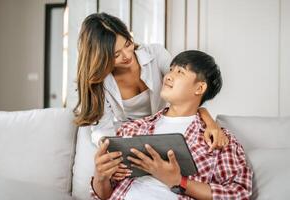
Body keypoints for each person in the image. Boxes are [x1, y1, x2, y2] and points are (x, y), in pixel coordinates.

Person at [91, 50, 253, 200]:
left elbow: (239, 193)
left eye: (180, 72)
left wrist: (179, 181)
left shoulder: (217, 139)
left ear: (200, 88)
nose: (168, 76)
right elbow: (103, 195)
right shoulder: (133, 129)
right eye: (171, 69)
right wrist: (100, 177)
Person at [73, 12, 228, 149]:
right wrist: (113, 153)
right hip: (133, 135)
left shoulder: (156, 54)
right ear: (100, 57)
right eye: (116, 55)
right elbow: (102, 130)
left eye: (127, 44)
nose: (127, 55)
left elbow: (187, 91)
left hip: (166, 124)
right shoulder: (100, 83)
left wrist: (210, 121)